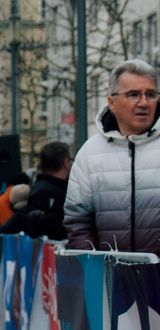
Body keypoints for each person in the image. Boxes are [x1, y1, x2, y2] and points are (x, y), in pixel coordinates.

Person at [65, 60, 160, 253]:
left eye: (150, 94)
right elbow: (77, 221)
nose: (144, 103)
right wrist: (96, 271)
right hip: (111, 279)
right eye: (133, 94)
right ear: (112, 103)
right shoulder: (89, 154)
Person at [18, 143, 71, 240]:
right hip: (53, 250)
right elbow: (36, 228)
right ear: (65, 162)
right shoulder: (45, 191)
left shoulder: (41, 187)